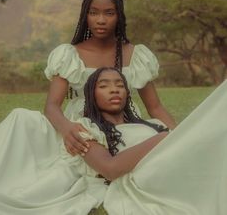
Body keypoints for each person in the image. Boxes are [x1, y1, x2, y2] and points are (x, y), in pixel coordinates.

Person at [44, 0, 176, 157]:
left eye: (109, 13)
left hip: (126, 125)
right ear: (85, 16)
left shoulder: (136, 55)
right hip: (81, 129)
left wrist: (179, 136)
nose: (101, 20)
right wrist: (67, 129)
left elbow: (155, 107)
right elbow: (52, 106)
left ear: (119, 16)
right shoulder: (69, 55)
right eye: (93, 13)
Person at [79, 67, 227, 215]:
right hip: (145, 177)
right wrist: (161, 139)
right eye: (104, 86)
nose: (114, 90)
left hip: (173, 166)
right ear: (91, 94)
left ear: (127, 93)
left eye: (120, 85)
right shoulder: (87, 129)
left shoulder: (152, 124)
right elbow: (110, 169)